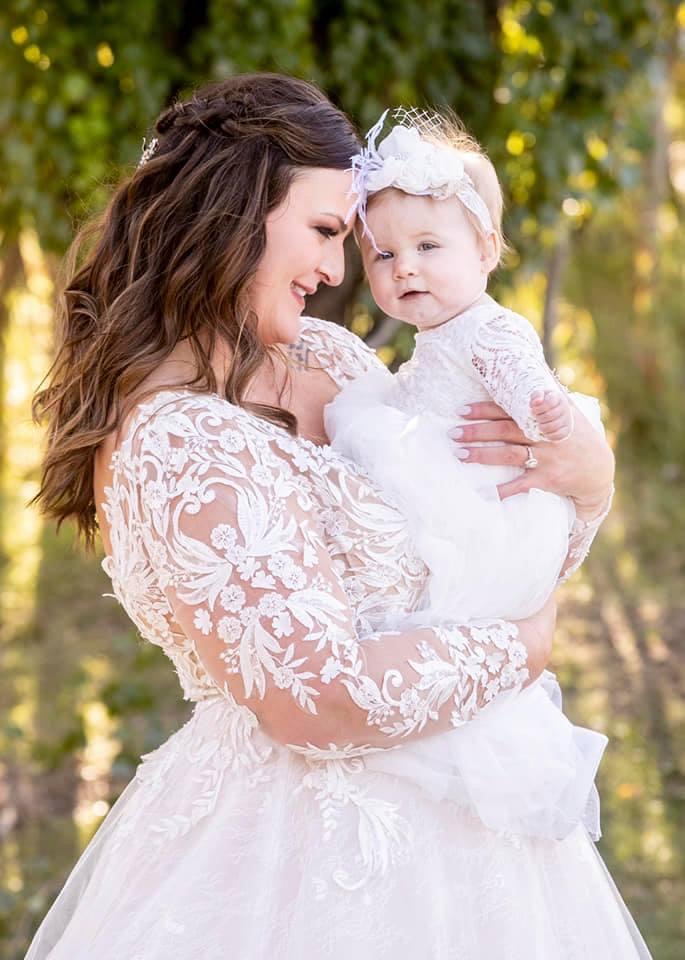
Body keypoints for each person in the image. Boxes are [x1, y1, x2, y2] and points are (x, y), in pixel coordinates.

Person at [25, 74, 651, 959]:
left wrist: (586, 484)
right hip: (297, 858)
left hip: (475, 823)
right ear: (230, 214)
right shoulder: (175, 440)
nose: (336, 269)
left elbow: (477, 548)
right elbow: (319, 698)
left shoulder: (327, 355)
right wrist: (528, 647)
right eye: (323, 231)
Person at [325, 109, 610, 840]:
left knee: (449, 599)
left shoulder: (489, 326)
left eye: (426, 246)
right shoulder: (428, 343)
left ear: (486, 249)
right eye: (383, 256)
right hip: (447, 482)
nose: (404, 268)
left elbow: (523, 376)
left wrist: (542, 406)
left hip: (482, 500)